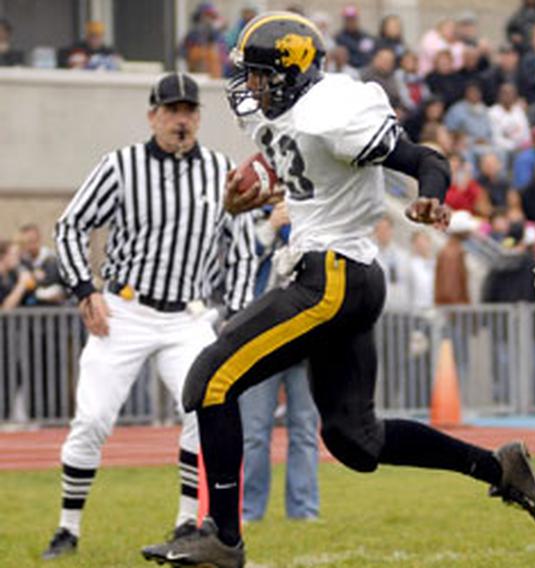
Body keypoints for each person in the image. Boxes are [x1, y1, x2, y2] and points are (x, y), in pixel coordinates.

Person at [142, 13, 535, 567]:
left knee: (210, 380)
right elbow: (299, 165)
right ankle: (498, 468)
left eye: (261, 76)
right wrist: (264, 189)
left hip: (333, 277)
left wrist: (430, 196)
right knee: (356, 442)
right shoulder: (285, 112)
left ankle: (223, 537)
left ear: (290, 74)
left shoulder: (332, 111)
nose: (251, 87)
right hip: (343, 276)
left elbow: (425, 158)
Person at [42, 72, 257, 560]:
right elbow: (71, 224)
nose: (180, 119)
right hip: (124, 310)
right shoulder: (121, 166)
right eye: (170, 110)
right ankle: (67, 529)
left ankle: (187, 524)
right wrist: (84, 290)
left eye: (188, 111)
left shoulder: (221, 172)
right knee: (93, 418)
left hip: (188, 316)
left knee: (203, 411)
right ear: (152, 116)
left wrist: (238, 313)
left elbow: (242, 247)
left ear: (199, 117)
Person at [240, 201, 319, 523]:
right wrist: (271, 226)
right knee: (255, 432)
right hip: (260, 339)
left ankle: (304, 511)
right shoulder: (250, 217)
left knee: (304, 430)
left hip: (305, 337)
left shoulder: (315, 215)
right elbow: (240, 262)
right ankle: (250, 511)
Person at [16, 223, 66, 306]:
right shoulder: (20, 261)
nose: (30, 245)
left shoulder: (52, 260)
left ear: (39, 239)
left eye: (32, 240)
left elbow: (63, 285)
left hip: (53, 308)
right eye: (26, 242)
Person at [334, 5, 375, 69]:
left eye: (353, 19)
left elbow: (369, 55)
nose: (350, 22)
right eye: (348, 19)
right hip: (346, 69)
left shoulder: (366, 37)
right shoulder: (338, 37)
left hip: (364, 68)